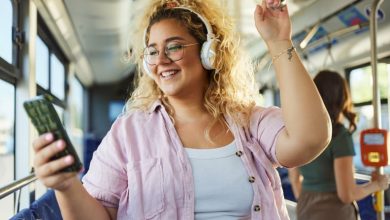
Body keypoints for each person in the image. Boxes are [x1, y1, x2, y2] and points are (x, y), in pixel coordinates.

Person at [32, 0, 331, 219]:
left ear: (208, 54)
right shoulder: (129, 132)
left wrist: (278, 41)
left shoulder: (249, 121)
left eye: (174, 46)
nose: (160, 59)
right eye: (152, 50)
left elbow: (309, 140)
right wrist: (67, 185)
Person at [288, 70, 390, 220]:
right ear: (342, 98)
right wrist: (377, 185)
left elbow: (295, 181)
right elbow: (347, 194)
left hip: (305, 208)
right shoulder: (339, 136)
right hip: (334, 213)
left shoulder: (301, 130)